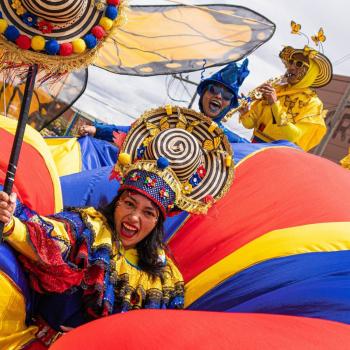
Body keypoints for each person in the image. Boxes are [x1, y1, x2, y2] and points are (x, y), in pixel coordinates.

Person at [0, 107, 234, 348]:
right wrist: (11, 220)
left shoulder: (165, 280)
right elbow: (45, 237)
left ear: (157, 222)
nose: (134, 217)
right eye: (130, 204)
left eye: (148, 213)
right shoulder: (89, 227)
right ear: (117, 202)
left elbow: (156, 338)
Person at [78, 60, 250, 143]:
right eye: (215, 90)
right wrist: (96, 129)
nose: (219, 97)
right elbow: (136, 131)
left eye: (226, 96)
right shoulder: (174, 118)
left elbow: (258, 156)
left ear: (229, 105)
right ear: (204, 93)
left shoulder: (230, 141)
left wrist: (272, 107)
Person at [238, 45, 333, 151]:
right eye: (291, 62)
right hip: (254, 147)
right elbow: (249, 125)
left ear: (310, 73)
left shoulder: (312, 103)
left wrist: (274, 104)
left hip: (279, 154)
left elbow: (293, 136)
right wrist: (245, 112)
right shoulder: (277, 89)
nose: (291, 67)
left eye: (299, 64)